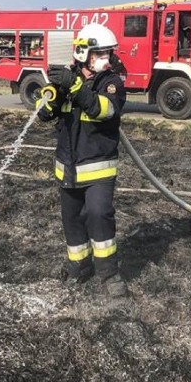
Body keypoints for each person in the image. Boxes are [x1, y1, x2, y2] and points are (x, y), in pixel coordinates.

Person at [37, 23, 128, 298]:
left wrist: (76, 88)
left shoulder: (112, 83)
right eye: (100, 53)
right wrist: (52, 98)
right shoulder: (66, 79)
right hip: (68, 167)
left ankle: (109, 274)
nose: (106, 59)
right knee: (72, 220)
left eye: (108, 53)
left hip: (98, 168)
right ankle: (79, 267)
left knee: (100, 216)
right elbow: (43, 114)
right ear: (84, 54)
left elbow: (104, 110)